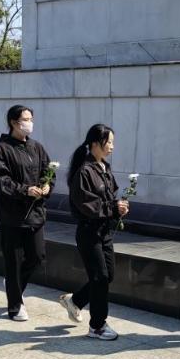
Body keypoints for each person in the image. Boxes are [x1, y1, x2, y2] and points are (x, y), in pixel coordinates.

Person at [60, 124, 127, 340]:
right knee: (100, 278)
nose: (112, 146)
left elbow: (108, 198)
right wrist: (112, 208)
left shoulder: (104, 167)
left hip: (104, 231)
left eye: (113, 142)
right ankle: (97, 326)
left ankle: (75, 301)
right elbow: (87, 206)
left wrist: (119, 207)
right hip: (89, 232)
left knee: (108, 276)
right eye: (109, 142)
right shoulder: (84, 171)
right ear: (96, 144)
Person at [0, 105, 53, 322]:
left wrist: (46, 186)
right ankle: (15, 305)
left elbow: (48, 172)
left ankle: (13, 284)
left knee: (37, 256)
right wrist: (25, 190)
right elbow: (2, 181)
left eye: (31, 119)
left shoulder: (37, 147)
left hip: (35, 213)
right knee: (14, 262)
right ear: (14, 122)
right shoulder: (2, 149)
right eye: (26, 119)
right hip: (12, 216)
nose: (29, 123)